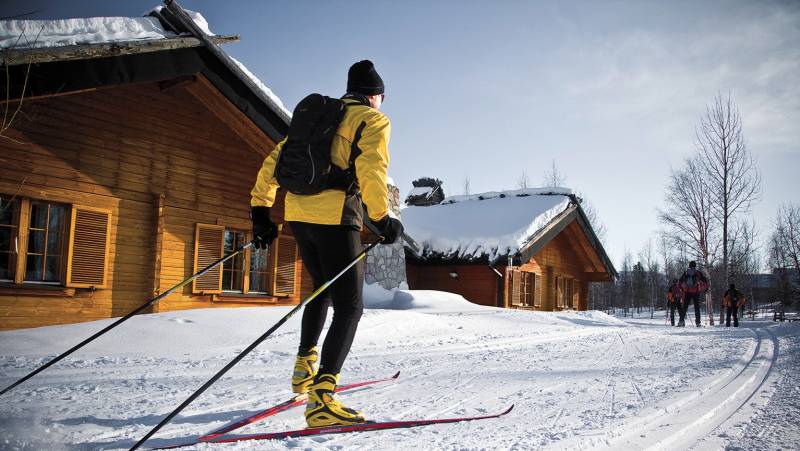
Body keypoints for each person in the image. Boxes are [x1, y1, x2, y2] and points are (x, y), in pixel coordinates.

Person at [249, 60, 403, 427]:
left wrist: (260, 210)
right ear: (375, 95)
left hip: (297, 213)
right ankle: (322, 399)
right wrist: (382, 219)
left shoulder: (319, 115)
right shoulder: (373, 120)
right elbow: (372, 169)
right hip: (335, 216)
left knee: (322, 290)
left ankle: (304, 368)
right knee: (350, 307)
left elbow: (275, 159)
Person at [678, 261, 709, 327]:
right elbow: (704, 280)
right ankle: (698, 322)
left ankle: (681, 321)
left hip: (687, 292)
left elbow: (680, 281)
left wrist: (682, 289)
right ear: (695, 266)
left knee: (685, 307)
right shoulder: (698, 273)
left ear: (689, 265)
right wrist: (706, 289)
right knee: (697, 308)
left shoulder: (686, 272)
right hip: (696, 292)